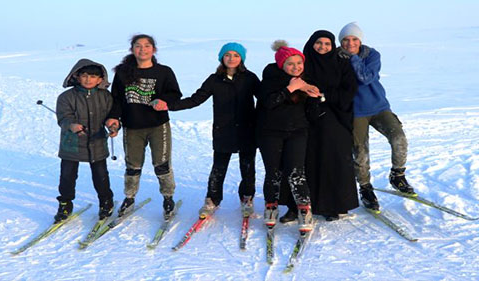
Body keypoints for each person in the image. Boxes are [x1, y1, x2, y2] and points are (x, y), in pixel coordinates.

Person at [152, 42, 260, 218]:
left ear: (241, 59)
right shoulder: (214, 79)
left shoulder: (250, 78)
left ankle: (247, 198)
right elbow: (195, 99)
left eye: (236, 55)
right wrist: (169, 105)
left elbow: (264, 98)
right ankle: (212, 200)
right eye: (227, 55)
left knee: (248, 168)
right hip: (223, 131)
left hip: (247, 130)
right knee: (218, 168)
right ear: (221, 58)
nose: (231, 59)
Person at [279, 30, 359, 222]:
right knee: (298, 161)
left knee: (332, 159)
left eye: (327, 44)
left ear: (332, 46)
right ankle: (294, 205)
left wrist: (323, 95)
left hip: (334, 118)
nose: (322, 47)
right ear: (311, 43)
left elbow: (348, 92)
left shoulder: (342, 64)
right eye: (318, 43)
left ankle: (331, 205)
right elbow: (290, 82)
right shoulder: (302, 64)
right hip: (303, 118)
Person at [337, 22, 415, 211]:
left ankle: (397, 175)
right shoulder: (336, 58)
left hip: (379, 107)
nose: (350, 43)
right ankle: (365, 188)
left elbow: (365, 77)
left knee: (399, 138)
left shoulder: (372, 55)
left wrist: (352, 58)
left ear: (360, 40)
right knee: (361, 152)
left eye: (354, 39)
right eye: (346, 40)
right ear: (340, 41)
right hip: (356, 112)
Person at [105, 34, 182, 220]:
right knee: (133, 166)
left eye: (147, 46)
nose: (142, 49)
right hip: (132, 126)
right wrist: (113, 118)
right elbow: (116, 99)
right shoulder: (123, 73)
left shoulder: (164, 72)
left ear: (153, 50)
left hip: (158, 125)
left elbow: (175, 94)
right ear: (132, 49)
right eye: (138, 46)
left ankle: (168, 198)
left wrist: (164, 101)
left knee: (162, 165)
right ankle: (129, 198)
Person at [256, 40, 322, 232]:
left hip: (297, 132)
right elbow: (269, 103)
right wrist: (290, 88)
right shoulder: (270, 80)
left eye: (299, 63)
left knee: (296, 172)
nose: (296, 67)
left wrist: (315, 99)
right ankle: (271, 207)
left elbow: (313, 115)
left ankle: (304, 209)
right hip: (270, 133)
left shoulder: (305, 83)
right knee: (273, 172)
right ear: (282, 65)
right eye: (290, 64)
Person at [54, 58, 116, 223]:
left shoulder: (106, 96)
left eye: (93, 76)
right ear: (77, 76)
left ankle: (106, 202)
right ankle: (65, 204)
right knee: (67, 176)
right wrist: (71, 125)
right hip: (72, 143)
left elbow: (111, 116)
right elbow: (63, 118)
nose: (89, 79)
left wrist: (113, 125)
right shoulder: (66, 97)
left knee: (100, 175)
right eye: (85, 75)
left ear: (100, 79)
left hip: (97, 142)